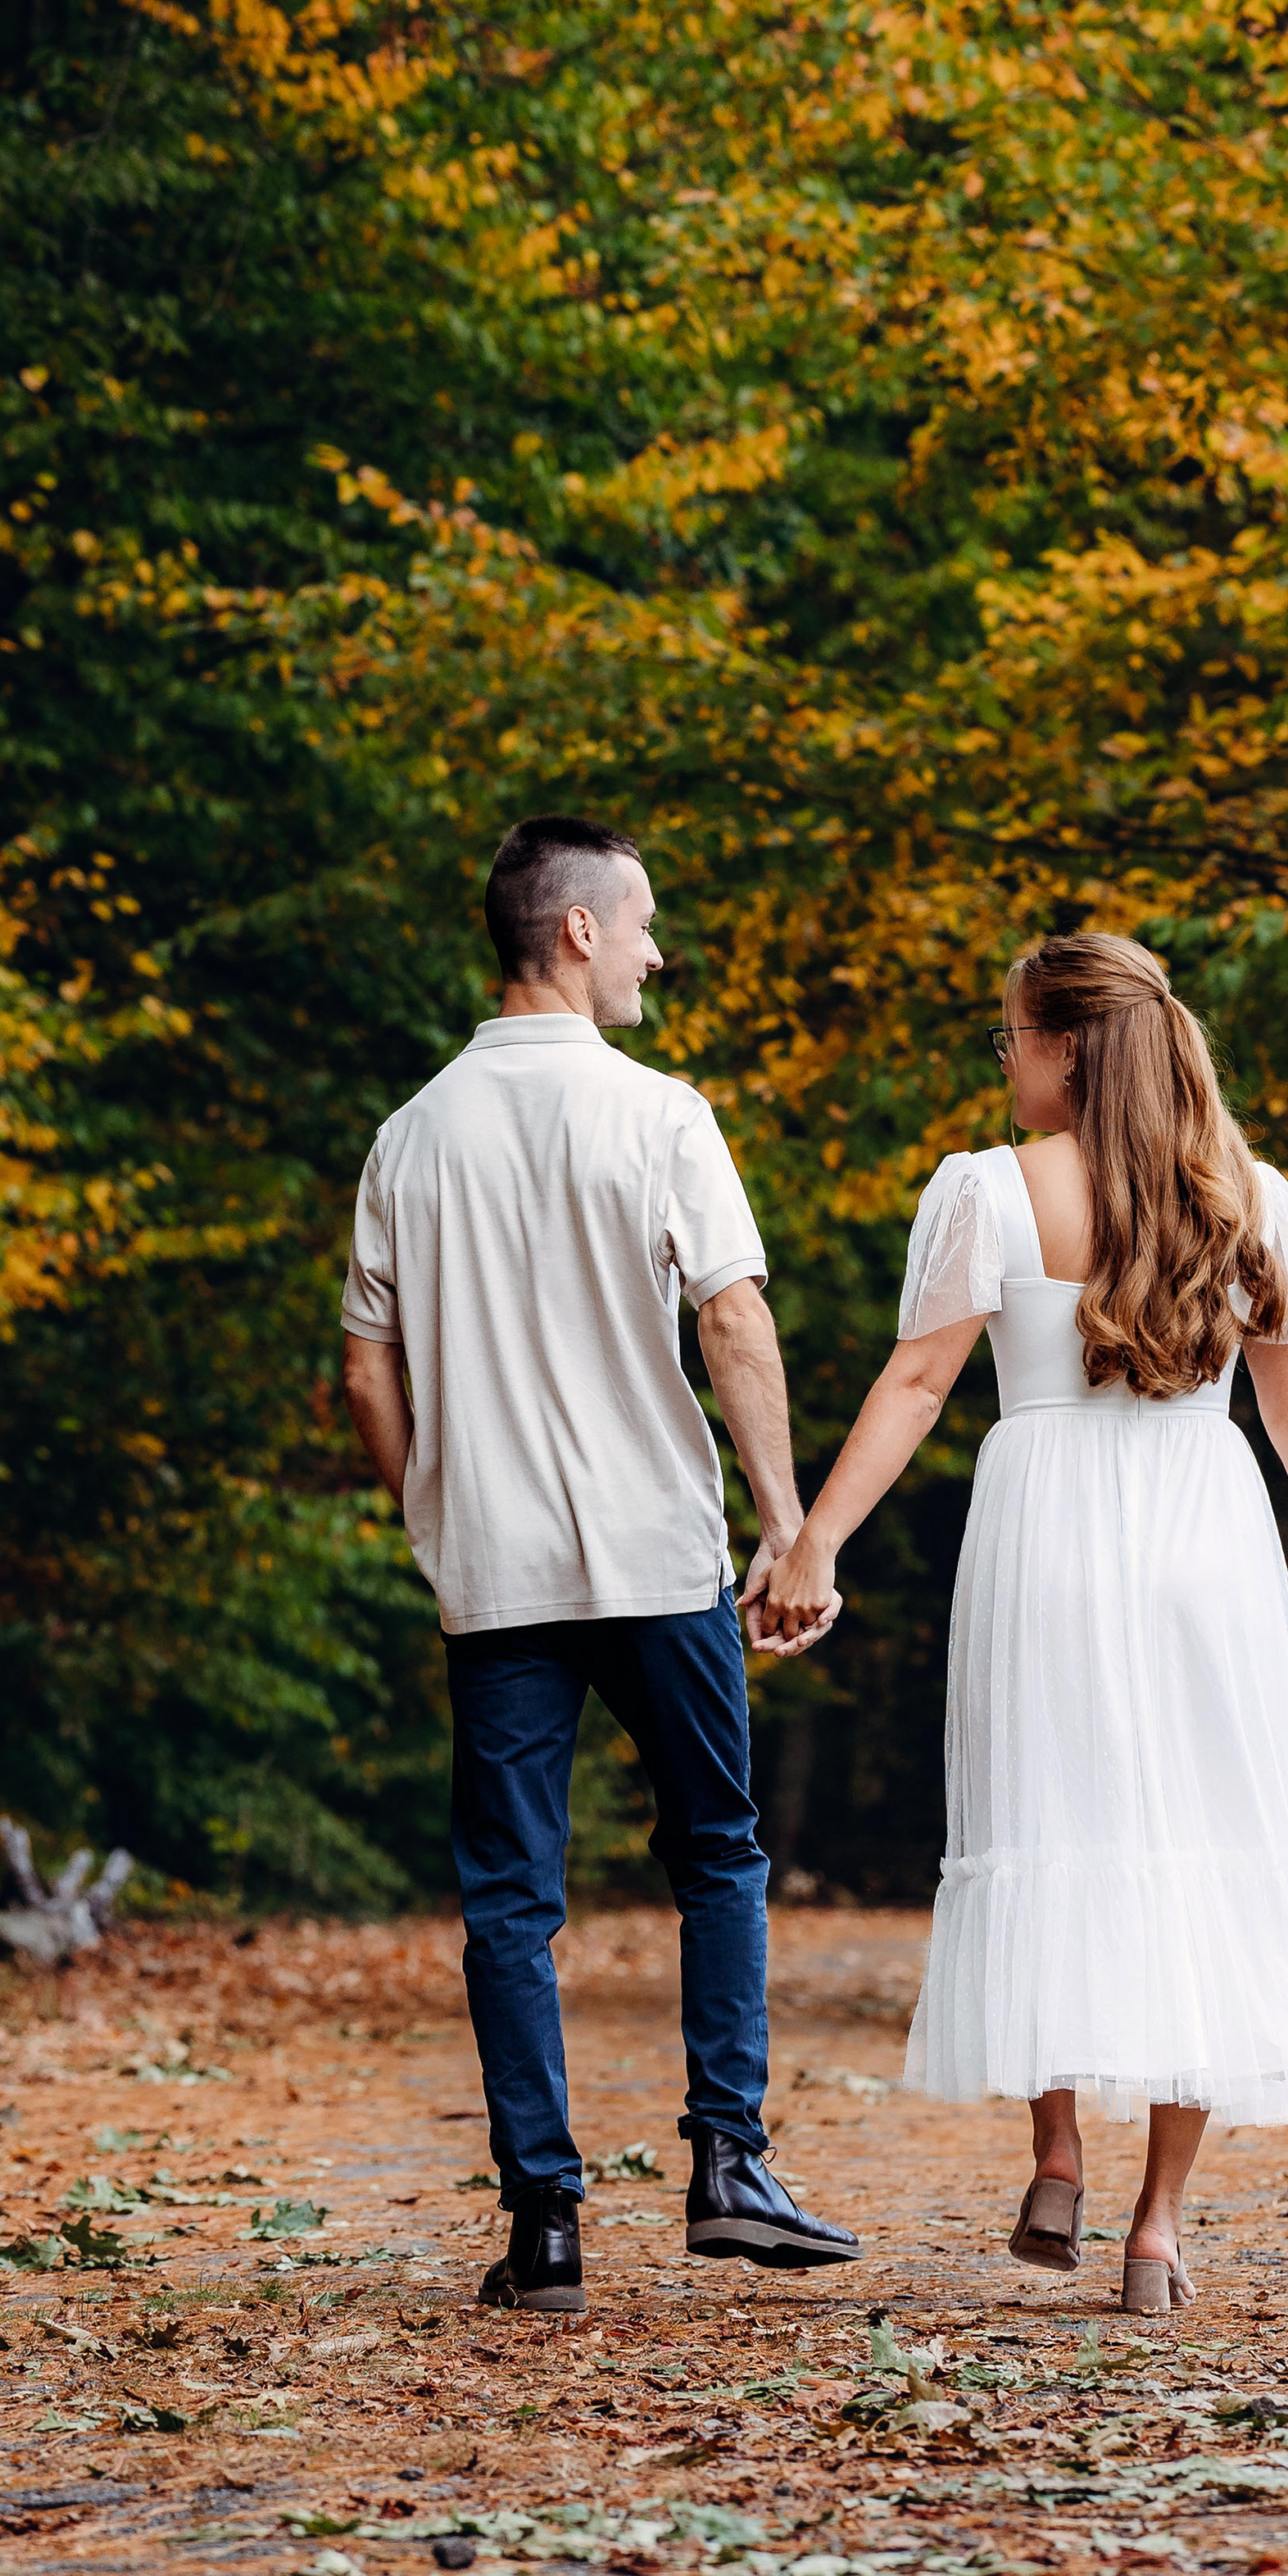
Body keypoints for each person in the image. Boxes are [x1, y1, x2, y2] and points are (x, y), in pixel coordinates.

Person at [754, 930, 1288, 2311]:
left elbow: (919, 1386)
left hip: (1043, 1531)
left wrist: (816, 1539)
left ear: (1065, 1047)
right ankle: (1158, 2231)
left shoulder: (988, 1193)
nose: (1004, 1062)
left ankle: (1056, 2153)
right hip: (1204, 1535)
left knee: (1043, 1823)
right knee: (1204, 1847)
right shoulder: (1253, 1199)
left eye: (1011, 1039)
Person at [339, 812, 857, 2320]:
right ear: (574, 932)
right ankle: (729, 2168)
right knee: (716, 1854)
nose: (654, 951)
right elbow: (736, 1322)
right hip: (652, 1552)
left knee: (511, 1899)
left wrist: (432, 1509)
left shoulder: (410, 1134)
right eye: (640, 926)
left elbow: (369, 1376)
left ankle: (546, 2227)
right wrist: (785, 1525)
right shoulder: (659, 1115)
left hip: (493, 1570)